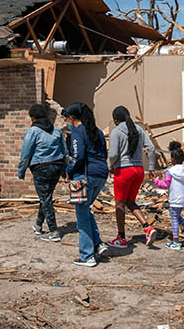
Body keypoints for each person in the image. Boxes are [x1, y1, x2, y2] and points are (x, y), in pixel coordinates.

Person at [63, 102, 110, 267]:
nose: (66, 121)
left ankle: (87, 256)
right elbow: (104, 153)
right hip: (101, 174)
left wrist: (69, 169)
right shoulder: (97, 132)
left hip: (83, 176)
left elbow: (77, 155)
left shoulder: (77, 132)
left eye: (66, 118)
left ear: (72, 117)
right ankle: (98, 244)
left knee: (81, 216)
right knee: (86, 210)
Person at [106, 105, 157, 249]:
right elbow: (151, 148)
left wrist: (112, 166)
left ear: (116, 120)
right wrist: (151, 167)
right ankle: (147, 227)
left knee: (120, 204)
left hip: (123, 171)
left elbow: (114, 154)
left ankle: (121, 237)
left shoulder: (116, 132)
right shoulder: (139, 129)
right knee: (130, 201)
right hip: (139, 170)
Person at [18, 103, 67, 242]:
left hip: (41, 169)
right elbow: (64, 151)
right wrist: (64, 167)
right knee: (46, 197)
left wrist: (21, 171)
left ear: (33, 118)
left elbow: (26, 154)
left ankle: (53, 231)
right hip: (56, 167)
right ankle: (38, 225)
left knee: (45, 199)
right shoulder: (56, 130)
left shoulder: (32, 132)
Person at [152, 141, 184, 250]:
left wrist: (156, 180)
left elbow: (165, 185)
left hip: (174, 198)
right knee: (176, 216)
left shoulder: (170, 172)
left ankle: (176, 241)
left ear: (172, 159)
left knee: (174, 219)